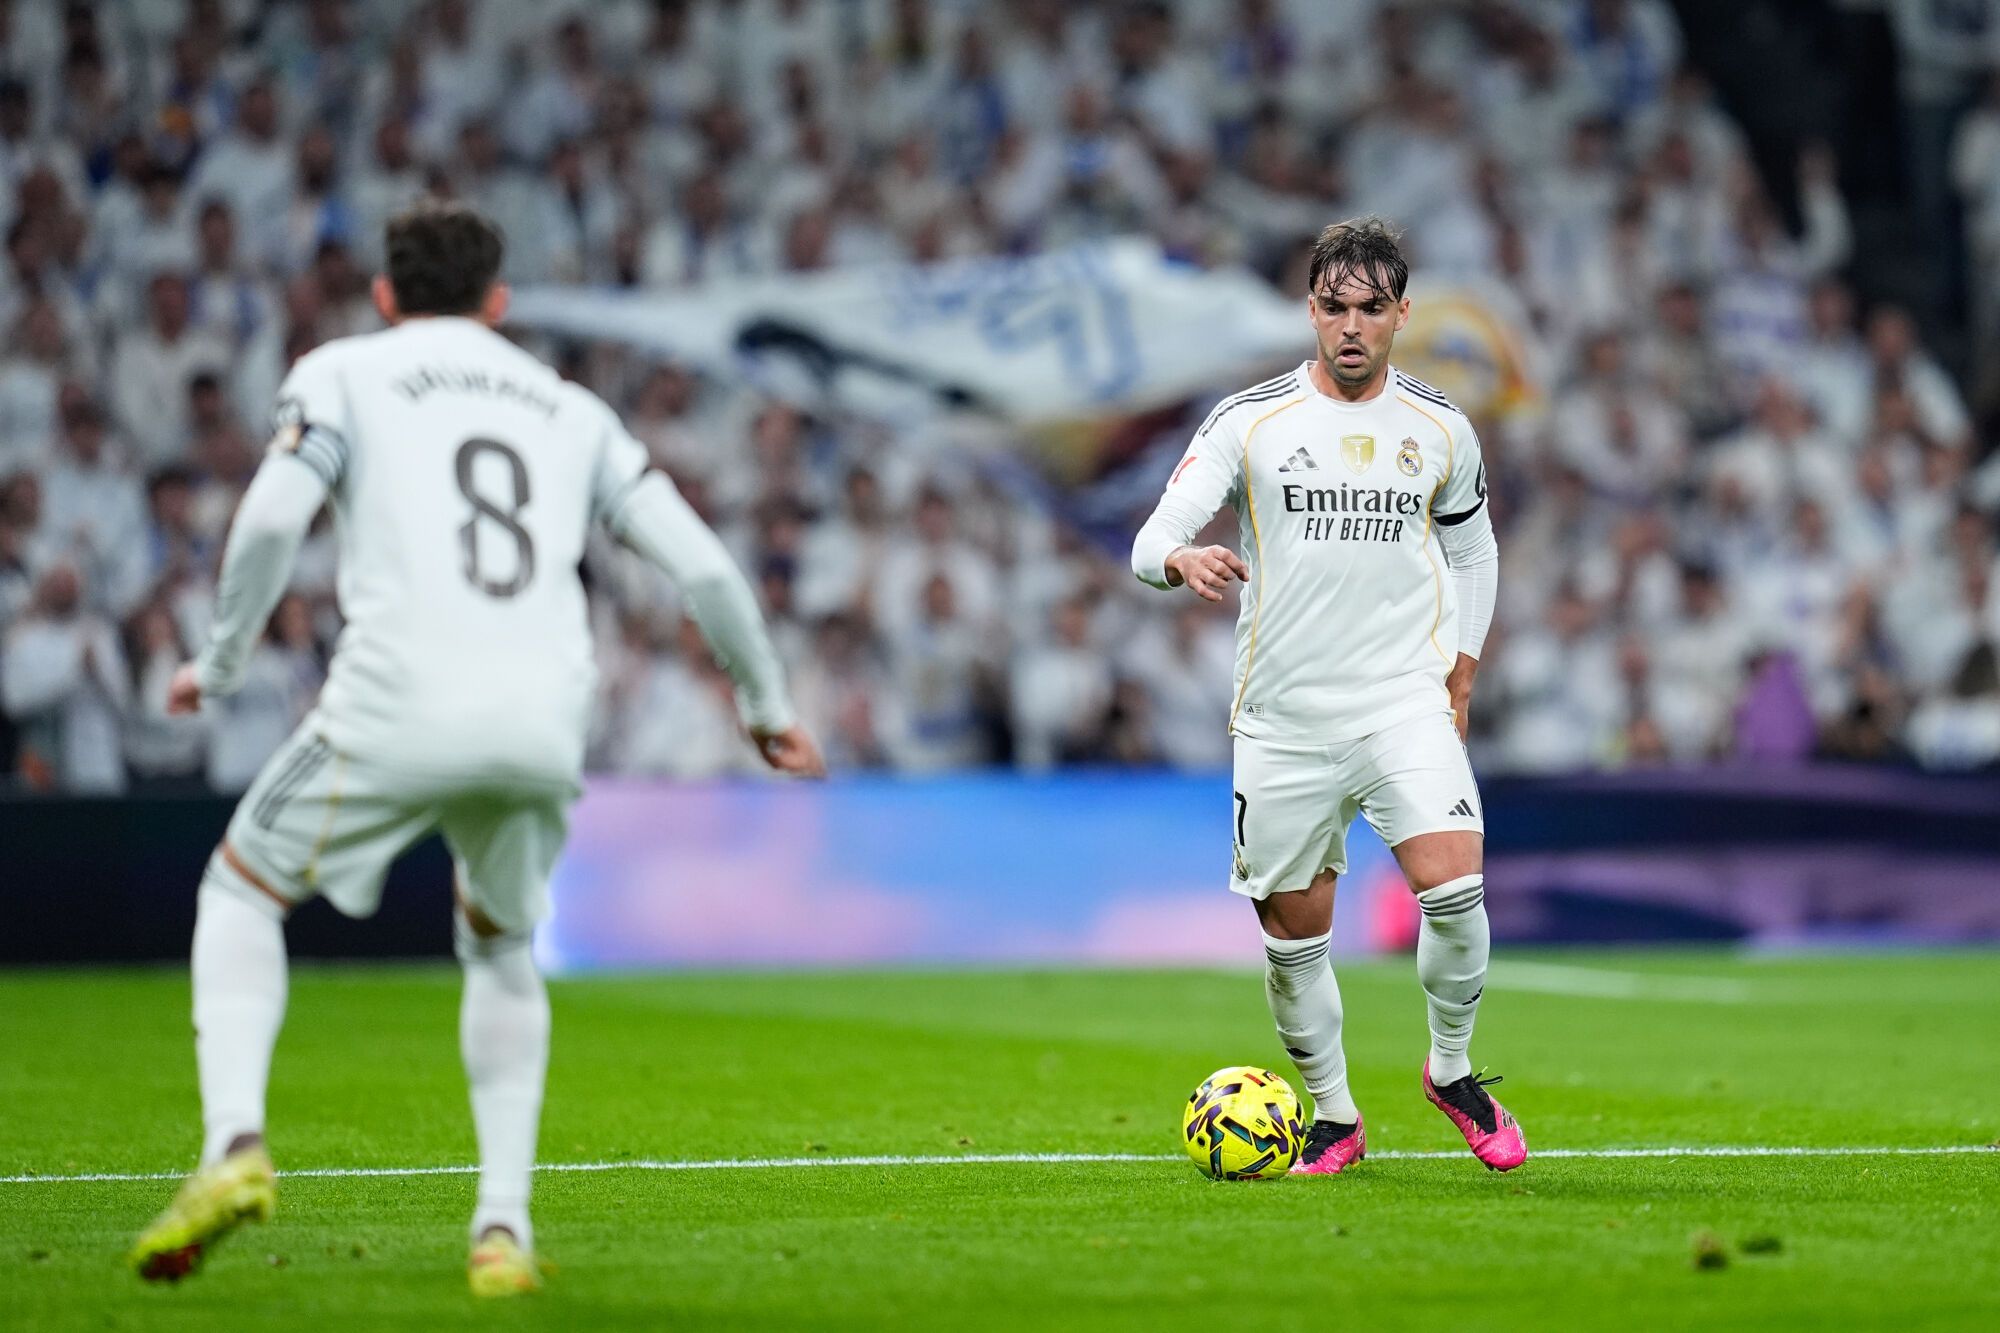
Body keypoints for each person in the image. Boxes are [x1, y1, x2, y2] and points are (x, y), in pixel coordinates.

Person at [129, 201, 824, 1295]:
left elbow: (268, 523)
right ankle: (500, 1229)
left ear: (386, 295)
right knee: (500, 947)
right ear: (499, 303)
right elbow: (704, 571)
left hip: (396, 699)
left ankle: (234, 1147)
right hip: (544, 719)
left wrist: (215, 666)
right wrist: (766, 703)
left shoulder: (344, 373)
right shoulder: (569, 408)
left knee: (240, 889)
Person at [1129, 217, 1523, 1177]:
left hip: (1402, 703)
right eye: (1335, 308)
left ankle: (1453, 1071)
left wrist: (1463, 665)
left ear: (1400, 314)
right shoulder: (1249, 421)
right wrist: (1180, 558)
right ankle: (1336, 1116)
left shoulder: (1440, 427)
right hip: (1284, 719)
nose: (1352, 327)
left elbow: (1474, 548)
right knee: (1294, 941)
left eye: (1371, 309)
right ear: (1311, 310)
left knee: (1457, 889)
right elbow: (1148, 543)